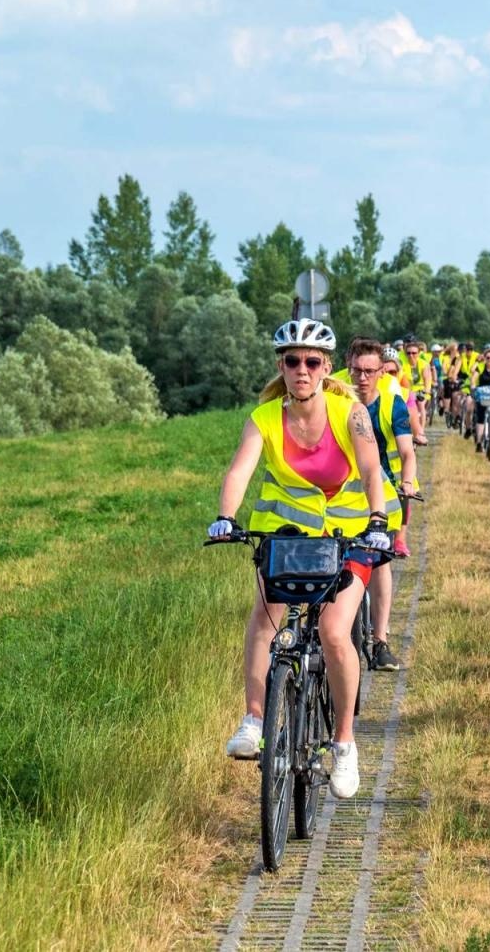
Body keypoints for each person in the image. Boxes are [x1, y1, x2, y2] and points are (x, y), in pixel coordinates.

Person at [210, 319, 397, 800]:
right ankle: (254, 719)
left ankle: (345, 744)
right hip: (290, 536)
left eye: (312, 362)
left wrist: (378, 519)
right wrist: (226, 517)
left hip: (351, 535)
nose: (302, 370)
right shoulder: (265, 417)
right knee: (266, 617)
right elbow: (239, 470)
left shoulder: (349, 412)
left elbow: (372, 468)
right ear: (281, 365)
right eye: (292, 361)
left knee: (335, 633)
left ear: (326, 368)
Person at [343, 338, 413, 671]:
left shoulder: (391, 404)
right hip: (336, 493)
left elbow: (407, 452)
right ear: (347, 366)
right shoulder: (333, 396)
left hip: (380, 492)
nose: (362, 378)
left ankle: (381, 639)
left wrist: (408, 481)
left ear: (382, 371)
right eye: (356, 370)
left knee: (380, 561)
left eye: (370, 371)